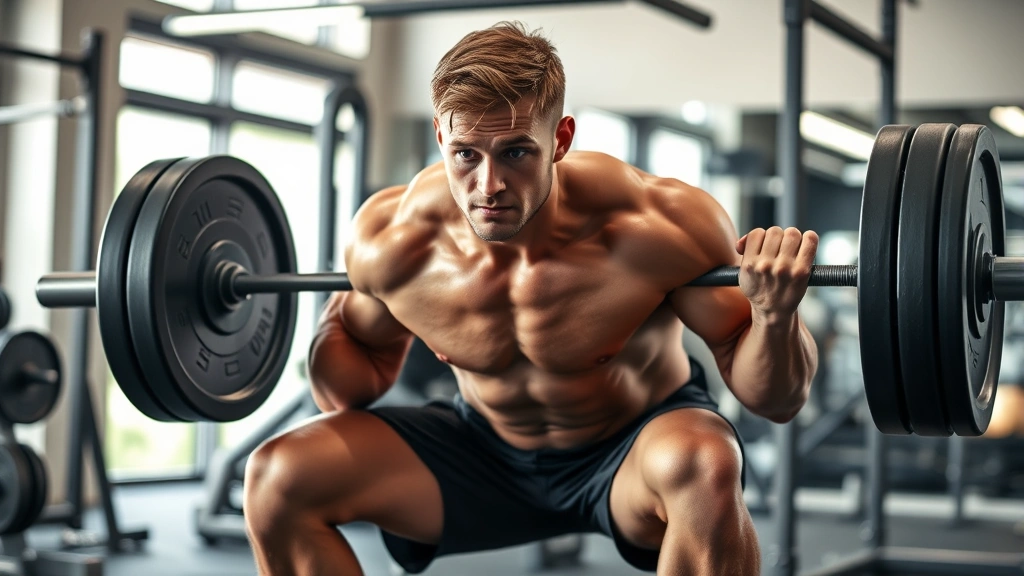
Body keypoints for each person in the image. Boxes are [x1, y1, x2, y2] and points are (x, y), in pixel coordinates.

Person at [243, 21, 819, 576]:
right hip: (479, 451)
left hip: (630, 453)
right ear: (441, 136)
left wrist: (773, 314)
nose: (488, 185)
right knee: (278, 475)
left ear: (560, 139)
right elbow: (346, 391)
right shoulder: (394, 243)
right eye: (466, 153)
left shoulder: (659, 225)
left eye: (516, 152)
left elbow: (775, 401)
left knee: (707, 459)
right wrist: (335, 318)